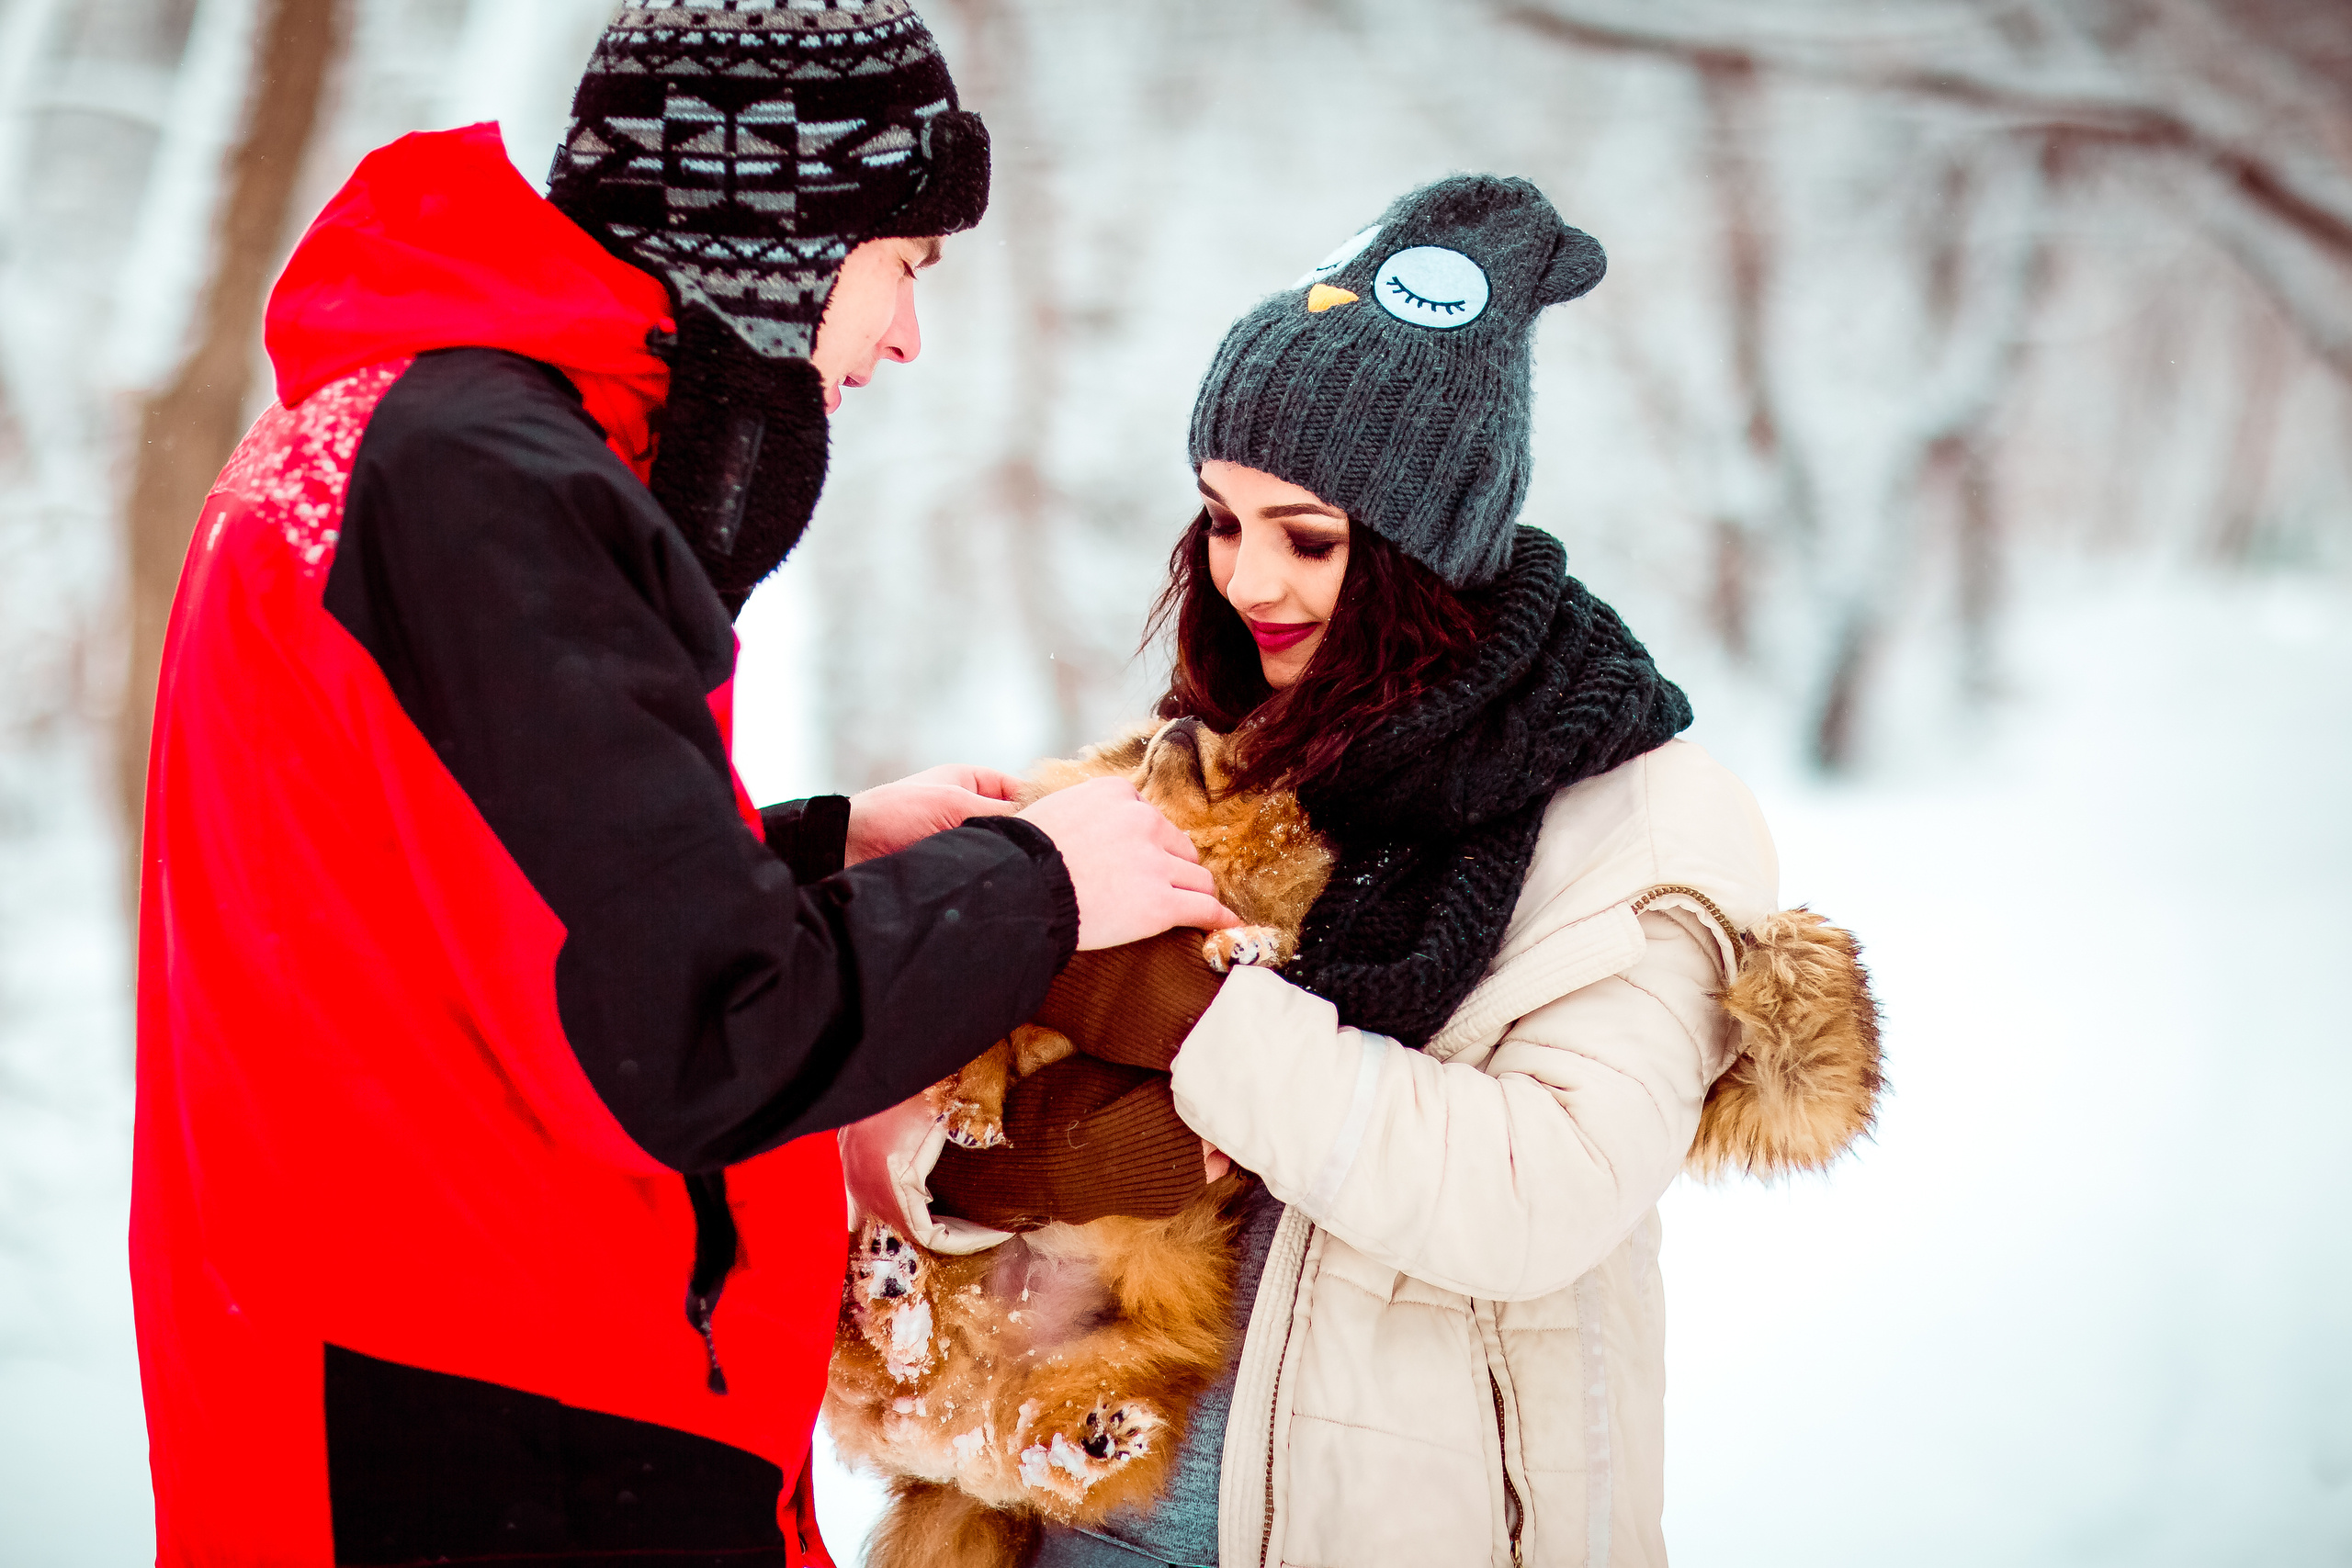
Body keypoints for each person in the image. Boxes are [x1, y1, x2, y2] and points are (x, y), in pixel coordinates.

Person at [129, 4, 1233, 1564]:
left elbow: (475, 903)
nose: (906, 337)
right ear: (776, 237)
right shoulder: (490, 491)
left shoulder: (409, 448)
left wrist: (825, 849)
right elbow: (697, 1025)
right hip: (489, 1424)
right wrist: (1043, 885)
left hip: (434, 1369)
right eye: (903, 265)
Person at [994, 176, 1873, 1566]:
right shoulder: (1212, 759)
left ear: (1431, 543)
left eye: (1309, 538)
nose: (1247, 583)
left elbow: (1536, 1194)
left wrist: (1194, 1021)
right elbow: (965, 1095)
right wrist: (998, 1164)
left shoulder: (1640, 820)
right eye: (1220, 520)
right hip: (1081, 1507)